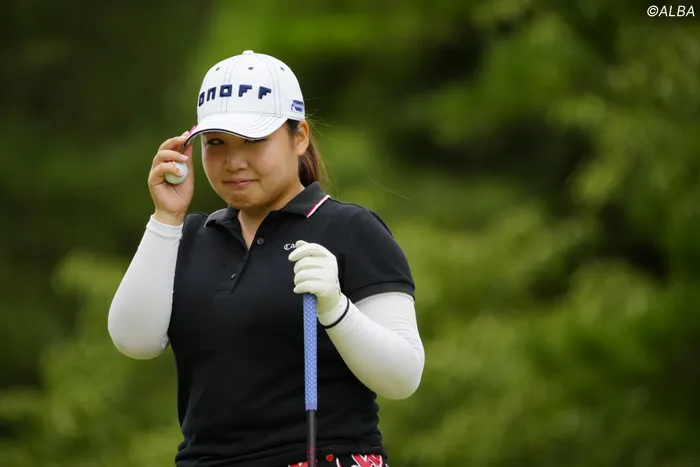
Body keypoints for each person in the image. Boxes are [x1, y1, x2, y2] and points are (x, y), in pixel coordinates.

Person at [107, 50, 425, 467]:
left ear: (299, 137)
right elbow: (134, 341)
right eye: (216, 143)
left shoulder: (350, 229)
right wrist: (166, 217)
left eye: (254, 141)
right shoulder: (187, 237)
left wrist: (336, 309)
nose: (233, 162)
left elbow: (403, 377)